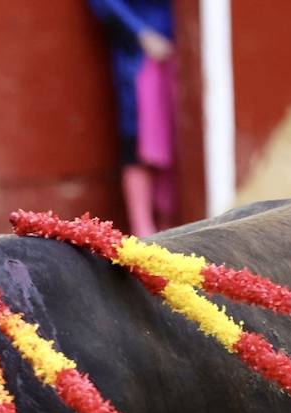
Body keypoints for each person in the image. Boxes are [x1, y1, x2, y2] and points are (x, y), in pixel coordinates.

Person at [88, 0, 176, 236]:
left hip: (175, 56)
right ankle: (143, 229)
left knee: (174, 140)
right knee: (136, 138)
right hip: (138, 57)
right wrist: (141, 33)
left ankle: (168, 223)